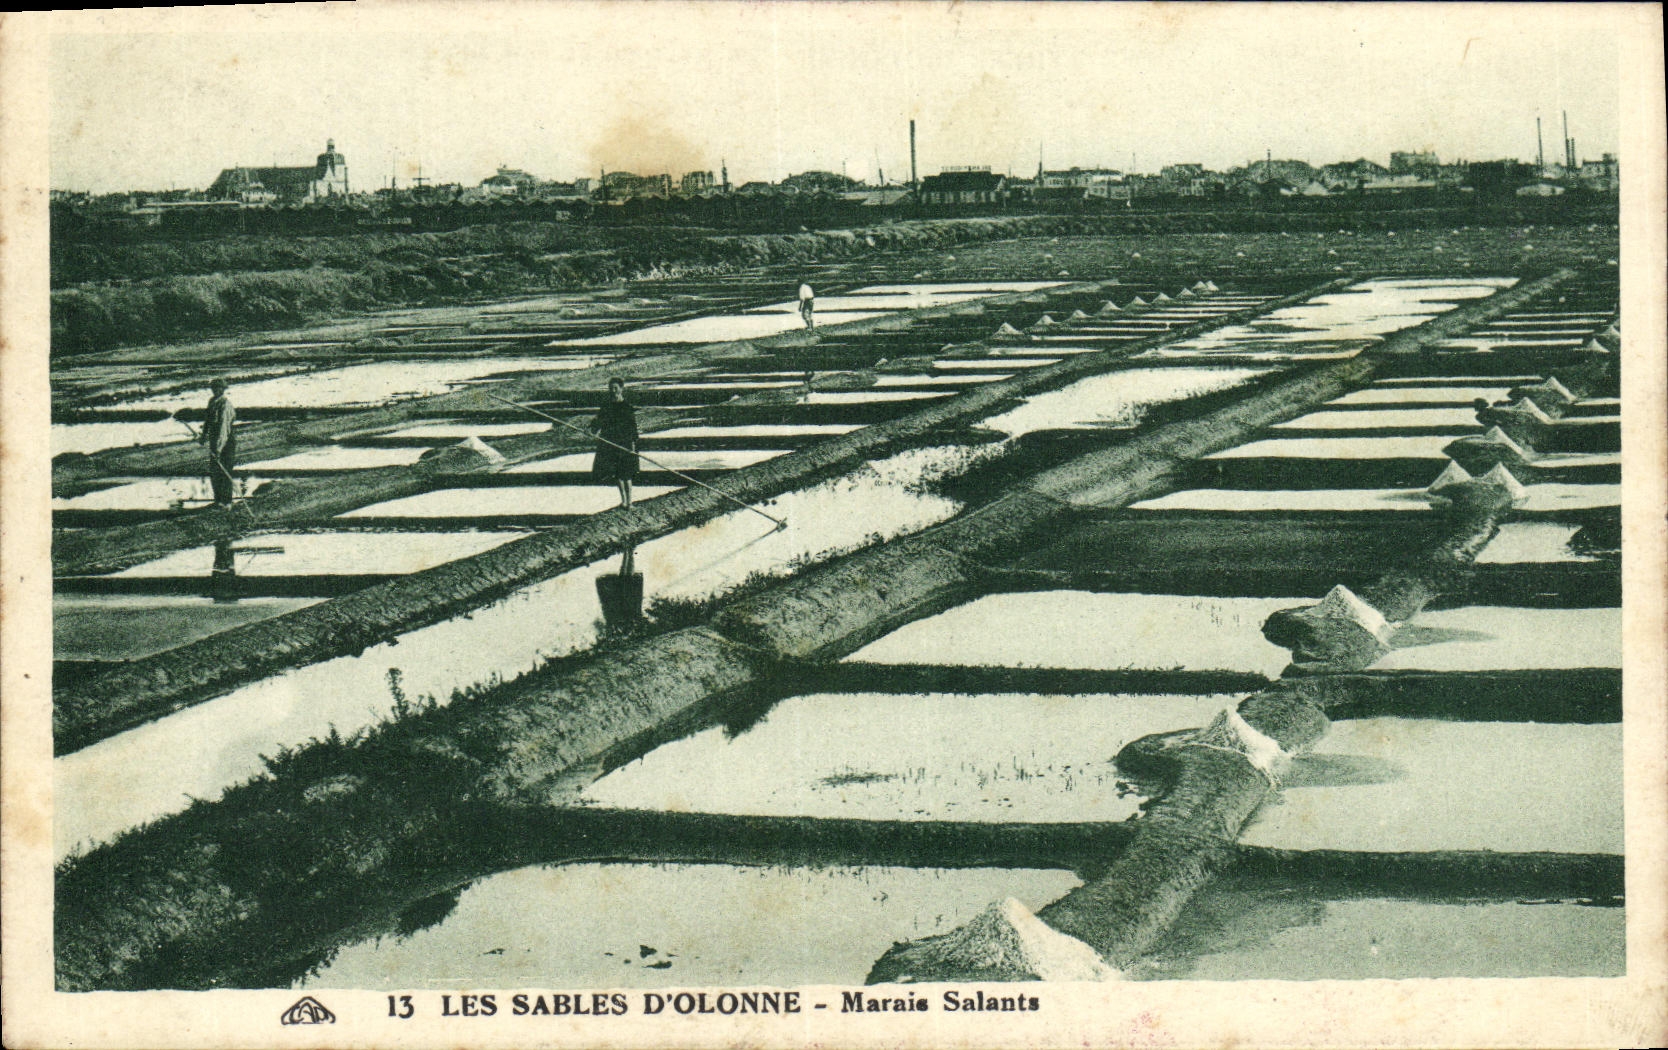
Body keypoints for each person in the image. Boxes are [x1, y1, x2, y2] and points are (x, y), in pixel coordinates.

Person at [591, 377, 639, 508]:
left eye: (615, 388)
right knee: (618, 474)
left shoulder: (627, 407)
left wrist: (633, 447)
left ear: (621, 389)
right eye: (611, 389)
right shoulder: (606, 406)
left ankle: (630, 501)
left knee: (627, 474)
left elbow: (633, 428)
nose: (613, 391)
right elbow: (598, 421)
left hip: (625, 443)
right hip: (611, 443)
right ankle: (624, 501)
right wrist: (593, 430)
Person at [201, 377, 237, 506]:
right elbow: (207, 421)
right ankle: (218, 501)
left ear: (222, 390)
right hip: (214, 441)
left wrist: (218, 449)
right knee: (214, 471)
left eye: (218, 388)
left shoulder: (225, 405)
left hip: (226, 443)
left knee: (225, 471)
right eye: (213, 388)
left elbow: (223, 429)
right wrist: (203, 435)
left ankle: (227, 502)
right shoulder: (212, 402)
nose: (215, 391)